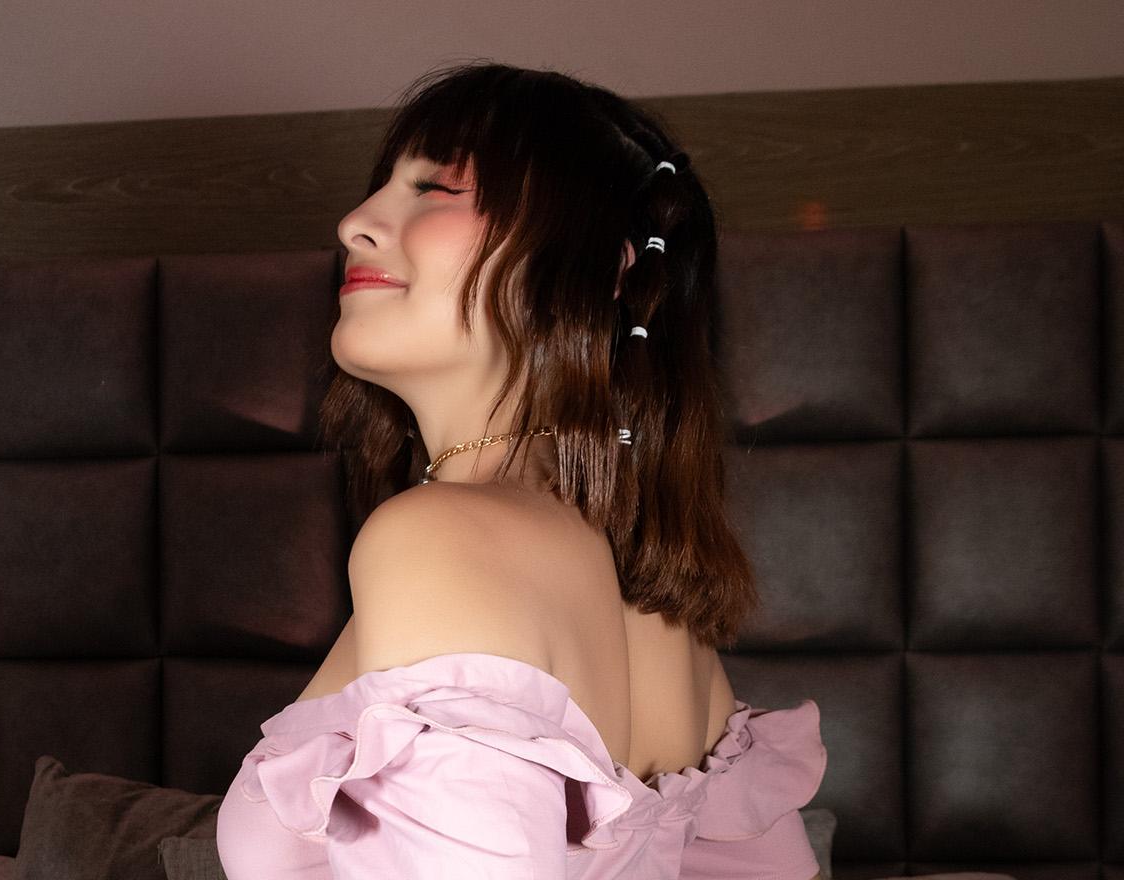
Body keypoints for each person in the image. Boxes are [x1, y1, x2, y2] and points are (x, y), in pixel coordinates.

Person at [216, 59, 826, 879]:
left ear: (605, 266)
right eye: (380, 189)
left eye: (435, 189)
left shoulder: (439, 541)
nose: (354, 223)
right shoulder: (660, 612)